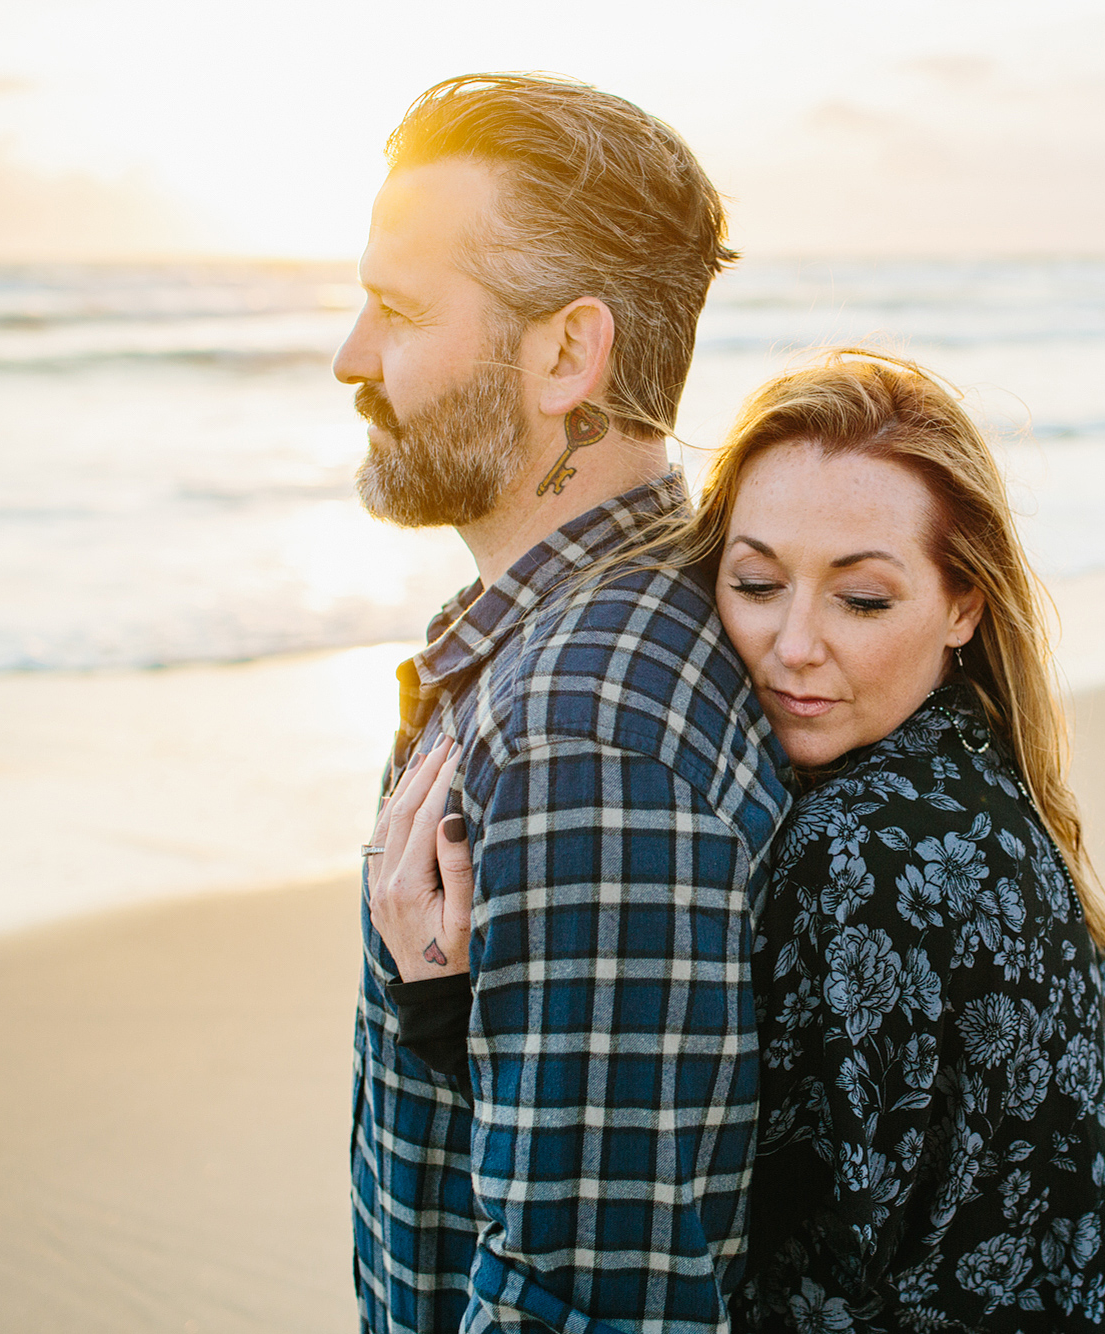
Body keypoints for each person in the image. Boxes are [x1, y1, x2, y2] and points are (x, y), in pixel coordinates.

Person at [387, 350, 1105, 1331]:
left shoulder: (860, 855)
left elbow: (709, 1223)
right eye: (754, 581)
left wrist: (453, 1016)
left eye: (862, 599)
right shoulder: (967, 754)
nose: (794, 643)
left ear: (962, 602)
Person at [335, 74, 791, 1334]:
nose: (349, 359)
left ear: (564, 355)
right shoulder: (623, 623)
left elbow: (593, 1300)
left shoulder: (579, 728)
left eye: (397, 310)